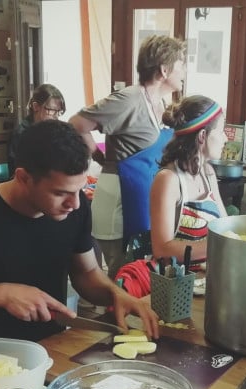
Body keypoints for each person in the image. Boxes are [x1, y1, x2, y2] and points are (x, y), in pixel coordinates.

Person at [0, 120, 159, 340]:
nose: (75, 203)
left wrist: (116, 295)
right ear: (24, 178)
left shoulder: (75, 208)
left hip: (52, 349)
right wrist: (0, 294)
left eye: (78, 190)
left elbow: (86, 272)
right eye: (60, 193)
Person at [69, 35, 187, 279]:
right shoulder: (129, 99)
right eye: (181, 64)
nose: (185, 70)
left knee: (138, 276)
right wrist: (99, 156)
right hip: (120, 203)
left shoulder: (161, 102)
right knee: (121, 279)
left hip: (141, 199)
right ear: (164, 70)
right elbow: (76, 124)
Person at [150, 95, 228, 263]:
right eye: (221, 131)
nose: (226, 139)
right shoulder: (169, 180)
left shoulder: (208, 173)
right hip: (180, 283)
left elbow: (225, 227)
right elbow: (162, 250)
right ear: (202, 136)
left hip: (211, 273)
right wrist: (220, 245)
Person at [7, 83, 66, 176]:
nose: (56, 116)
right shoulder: (22, 133)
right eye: (51, 110)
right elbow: (18, 171)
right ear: (36, 107)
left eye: (59, 111)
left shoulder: (53, 130)